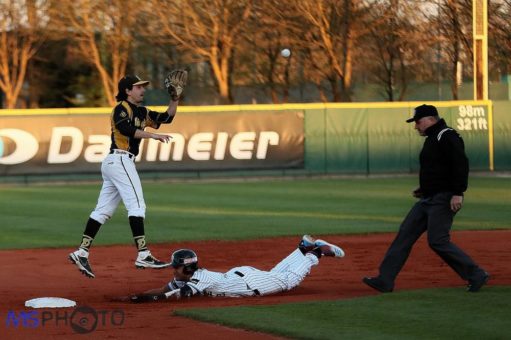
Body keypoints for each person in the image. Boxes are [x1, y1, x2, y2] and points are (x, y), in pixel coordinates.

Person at [363, 104, 489, 293]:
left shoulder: (446, 135)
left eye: (418, 122)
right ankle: (385, 280)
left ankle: (475, 274)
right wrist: (424, 188)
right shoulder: (432, 138)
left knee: (437, 240)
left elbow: (460, 164)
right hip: (428, 198)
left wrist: (458, 192)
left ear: (431, 119)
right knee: (405, 234)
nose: (416, 126)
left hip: (444, 198)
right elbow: (438, 169)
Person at [69, 74, 181, 278]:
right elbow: (126, 129)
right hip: (120, 160)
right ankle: (143, 254)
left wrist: (175, 100)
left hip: (117, 163)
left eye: (143, 87)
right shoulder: (121, 108)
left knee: (102, 211)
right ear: (128, 90)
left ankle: (81, 252)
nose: (143, 90)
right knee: (137, 205)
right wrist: (152, 135)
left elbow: (167, 118)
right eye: (138, 87)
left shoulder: (142, 111)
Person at [125, 235, 345, 302]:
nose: (173, 270)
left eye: (175, 267)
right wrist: (139, 296)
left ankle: (316, 252)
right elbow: (165, 289)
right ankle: (302, 249)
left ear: (184, 268)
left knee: (288, 281)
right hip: (239, 275)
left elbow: (180, 294)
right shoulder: (191, 275)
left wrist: (149, 301)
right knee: (276, 274)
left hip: (249, 284)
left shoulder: (200, 278)